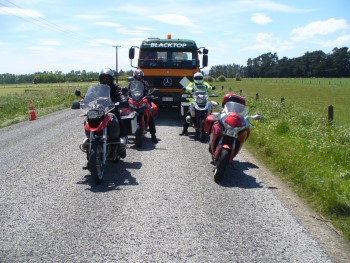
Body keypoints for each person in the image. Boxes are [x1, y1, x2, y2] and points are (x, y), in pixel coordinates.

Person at [83, 68, 127, 159]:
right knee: (87, 120)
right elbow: (90, 96)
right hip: (99, 110)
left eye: (107, 78)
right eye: (103, 78)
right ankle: (90, 146)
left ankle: (122, 147)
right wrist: (83, 100)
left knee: (120, 122)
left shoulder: (115, 87)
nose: (105, 80)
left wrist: (122, 99)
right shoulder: (97, 88)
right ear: (100, 78)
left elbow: (120, 93)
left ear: (111, 79)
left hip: (112, 109)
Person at [128, 69, 158, 143]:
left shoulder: (145, 83)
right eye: (137, 76)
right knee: (125, 113)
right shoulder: (131, 83)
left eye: (140, 75)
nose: (138, 77)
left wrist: (149, 96)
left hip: (143, 100)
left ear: (142, 76)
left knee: (150, 116)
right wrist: (127, 96)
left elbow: (147, 91)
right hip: (134, 100)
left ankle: (153, 136)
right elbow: (129, 92)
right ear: (134, 76)